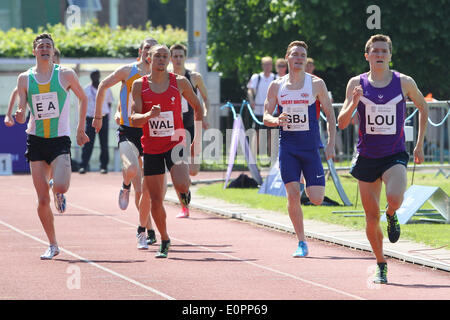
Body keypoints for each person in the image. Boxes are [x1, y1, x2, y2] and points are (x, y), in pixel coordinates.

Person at [337, 34, 428, 284]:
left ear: (390, 55)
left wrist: (419, 144)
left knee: (395, 198)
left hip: (394, 154)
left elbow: (424, 107)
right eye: (374, 51)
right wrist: (354, 102)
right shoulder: (356, 83)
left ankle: (392, 213)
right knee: (370, 217)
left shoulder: (404, 82)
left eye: (384, 51)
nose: (379, 55)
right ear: (367, 56)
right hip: (366, 156)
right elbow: (341, 123)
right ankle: (380, 263)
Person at [14, 33, 89, 259]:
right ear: (35, 51)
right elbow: (21, 112)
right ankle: (53, 244)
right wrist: (18, 115)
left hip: (59, 139)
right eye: (41, 46)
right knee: (42, 199)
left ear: (53, 51)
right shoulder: (25, 79)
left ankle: (58, 188)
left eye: (48, 46)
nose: (45, 49)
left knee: (62, 187)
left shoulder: (65, 74)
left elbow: (83, 98)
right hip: (36, 140)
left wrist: (80, 128)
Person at [263, 40, 336, 258]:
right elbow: (266, 116)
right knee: (293, 195)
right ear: (287, 58)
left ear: (306, 59)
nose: (299, 58)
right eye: (295, 54)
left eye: (303, 55)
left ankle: (306, 178)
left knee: (316, 198)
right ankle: (301, 241)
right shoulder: (277, 85)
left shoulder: (316, 84)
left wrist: (331, 142)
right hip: (288, 147)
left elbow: (330, 115)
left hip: (311, 147)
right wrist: (275, 120)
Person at [130, 44, 204, 258]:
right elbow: (134, 119)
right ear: (149, 59)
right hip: (151, 146)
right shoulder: (139, 85)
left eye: (165, 56)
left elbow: (198, 107)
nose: (162, 59)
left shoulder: (179, 82)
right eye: (157, 56)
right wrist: (148, 116)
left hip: (174, 141)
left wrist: (195, 140)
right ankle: (164, 238)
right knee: (155, 199)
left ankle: (185, 192)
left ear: (170, 59)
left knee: (181, 182)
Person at [92, 37, 158, 248]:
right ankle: (124, 185)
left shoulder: (161, 76)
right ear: (141, 51)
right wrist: (98, 116)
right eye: (146, 48)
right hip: (128, 130)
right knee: (131, 170)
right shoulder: (127, 71)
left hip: (151, 133)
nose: (149, 52)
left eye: (153, 50)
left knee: (145, 190)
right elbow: (103, 85)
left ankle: (146, 230)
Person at [170, 43, 209, 218]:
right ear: (171, 58)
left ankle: (186, 179)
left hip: (192, 125)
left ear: (185, 58)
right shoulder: (166, 78)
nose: (178, 59)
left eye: (180, 56)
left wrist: (204, 116)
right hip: (174, 128)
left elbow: (206, 99)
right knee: (179, 170)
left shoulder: (194, 77)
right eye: (175, 56)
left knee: (193, 170)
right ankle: (184, 207)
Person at [4, 48, 60, 127]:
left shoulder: (62, 76)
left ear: (59, 62)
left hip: (57, 122)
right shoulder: (33, 76)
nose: (49, 64)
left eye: (53, 62)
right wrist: (8, 114)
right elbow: (16, 91)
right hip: (36, 119)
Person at [79, 70, 113, 174]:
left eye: (96, 75)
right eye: (93, 75)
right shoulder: (86, 89)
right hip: (90, 119)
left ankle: (104, 166)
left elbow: (109, 103)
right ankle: (84, 165)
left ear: (99, 76)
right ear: (90, 77)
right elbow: (82, 104)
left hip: (103, 118)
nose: (95, 77)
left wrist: (107, 116)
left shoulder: (105, 88)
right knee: (88, 143)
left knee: (104, 143)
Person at [247, 56, 276, 157]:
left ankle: (271, 157)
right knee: (257, 133)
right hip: (259, 111)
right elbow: (250, 90)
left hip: (272, 111)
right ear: (262, 66)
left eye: (269, 64)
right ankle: (253, 156)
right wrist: (251, 101)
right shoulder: (256, 77)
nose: (267, 66)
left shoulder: (276, 78)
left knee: (272, 134)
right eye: (265, 64)